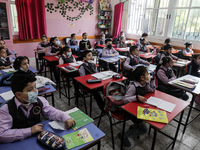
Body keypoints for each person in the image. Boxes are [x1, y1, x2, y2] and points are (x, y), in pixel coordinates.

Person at [0, 74, 76, 143]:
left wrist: (64, 116)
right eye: (30, 89)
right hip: (18, 142)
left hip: (37, 138)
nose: (35, 91)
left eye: (35, 87)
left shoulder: (39, 100)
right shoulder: (6, 110)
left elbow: (50, 112)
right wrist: (29, 131)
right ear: (19, 95)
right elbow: (2, 134)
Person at [119, 66, 155, 147]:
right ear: (142, 77)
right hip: (130, 111)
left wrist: (152, 80)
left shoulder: (145, 83)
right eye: (147, 73)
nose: (149, 74)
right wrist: (136, 97)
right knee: (144, 130)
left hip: (140, 108)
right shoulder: (133, 86)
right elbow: (125, 99)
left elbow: (152, 90)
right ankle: (123, 135)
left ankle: (134, 126)